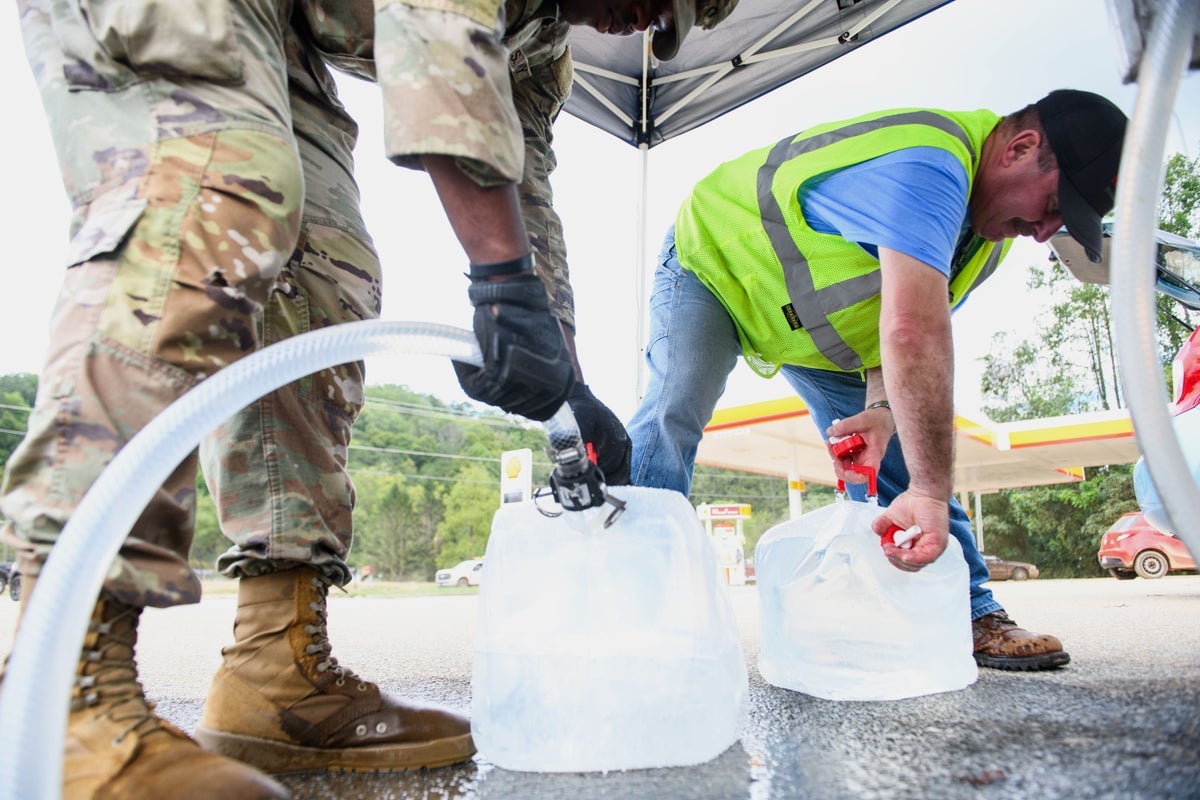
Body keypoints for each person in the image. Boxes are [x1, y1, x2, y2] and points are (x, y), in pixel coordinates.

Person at [0, 1, 738, 798]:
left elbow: (522, 187)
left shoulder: (543, 44)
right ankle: (65, 682)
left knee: (322, 280)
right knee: (221, 188)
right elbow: (437, 37)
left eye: (665, 22)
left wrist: (562, 375)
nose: (641, 24)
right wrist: (498, 277)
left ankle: (272, 667)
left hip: (277, 25)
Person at [627, 89, 1127, 672]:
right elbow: (914, 334)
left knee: (899, 454)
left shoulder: (987, 243)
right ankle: (635, 607)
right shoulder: (929, 163)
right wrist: (933, 494)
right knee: (675, 405)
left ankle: (971, 612)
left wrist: (885, 412)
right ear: (1020, 147)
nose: (1045, 231)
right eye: (1054, 203)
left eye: (1063, 221)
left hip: (808, 331)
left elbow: (893, 346)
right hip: (716, 264)